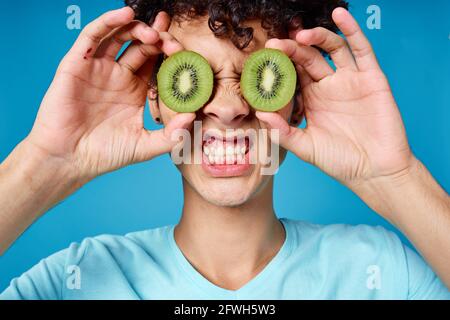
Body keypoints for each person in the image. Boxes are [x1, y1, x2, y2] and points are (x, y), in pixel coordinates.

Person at [0, 0, 449, 299]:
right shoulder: (71, 283)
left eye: (259, 75)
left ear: (297, 99)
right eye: (194, 76)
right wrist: (44, 165)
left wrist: (395, 179)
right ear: (155, 97)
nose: (230, 108)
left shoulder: (382, 276)